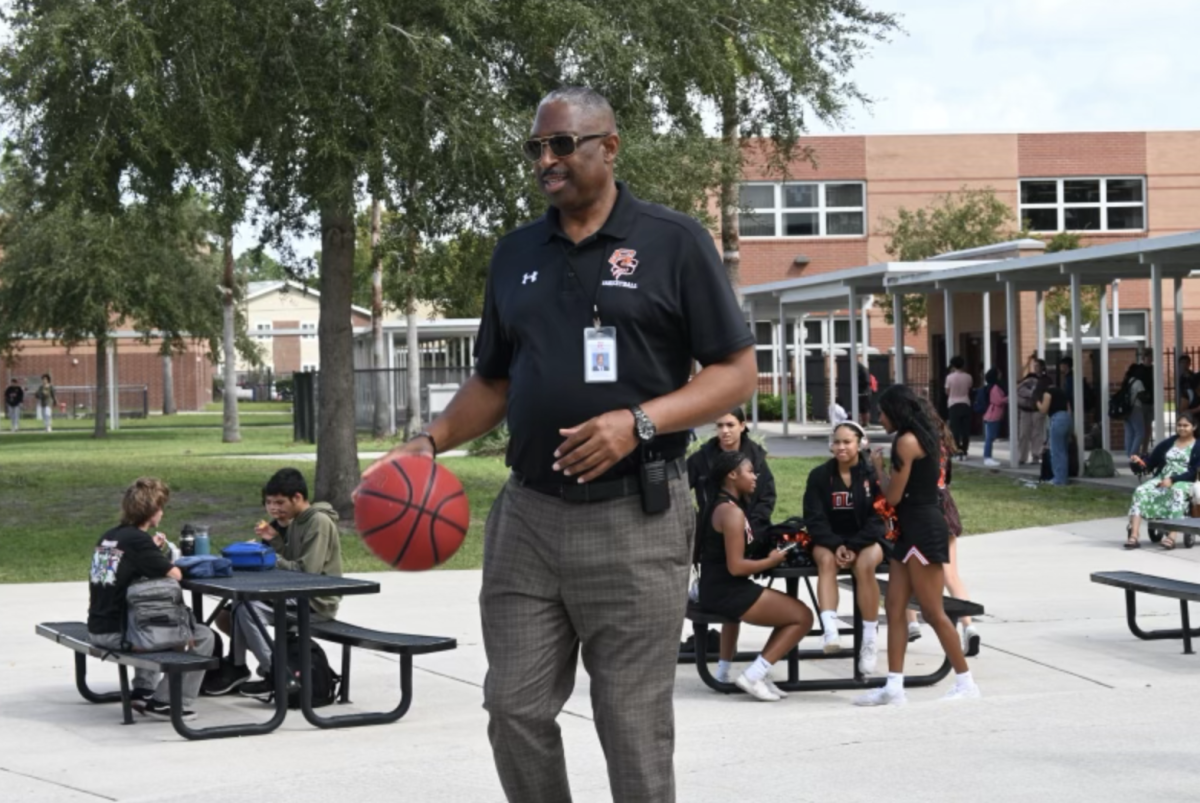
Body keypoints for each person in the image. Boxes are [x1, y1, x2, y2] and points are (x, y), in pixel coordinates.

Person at [368, 87, 756, 803]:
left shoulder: (672, 242)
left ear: (608, 146)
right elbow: (493, 380)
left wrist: (635, 421)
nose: (546, 160)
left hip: (636, 518)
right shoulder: (517, 252)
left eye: (562, 145)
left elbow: (736, 372)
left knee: (631, 725)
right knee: (513, 706)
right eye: (536, 148)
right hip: (529, 518)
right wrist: (429, 440)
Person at [856, 385, 979, 706]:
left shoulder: (906, 441)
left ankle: (966, 683)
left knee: (932, 610)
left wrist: (878, 469)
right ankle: (894, 686)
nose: (879, 418)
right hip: (910, 529)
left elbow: (892, 496)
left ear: (897, 411)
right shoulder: (920, 437)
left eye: (882, 412)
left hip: (923, 529)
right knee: (896, 607)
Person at [87, 478, 216, 721]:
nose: (162, 512)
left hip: (98, 626)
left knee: (153, 622)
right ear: (153, 511)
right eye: (161, 507)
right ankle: (167, 702)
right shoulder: (138, 541)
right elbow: (175, 574)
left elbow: (128, 567)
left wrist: (151, 550)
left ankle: (144, 690)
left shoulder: (112, 536)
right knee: (202, 636)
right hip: (118, 634)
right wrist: (156, 553)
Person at [210, 468, 343, 701]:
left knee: (246, 609)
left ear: (298, 498)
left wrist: (268, 557)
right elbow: (290, 562)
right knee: (236, 608)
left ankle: (276, 673)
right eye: (269, 502)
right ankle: (239, 666)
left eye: (280, 502)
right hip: (294, 591)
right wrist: (274, 541)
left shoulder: (318, 522)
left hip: (315, 599)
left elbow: (306, 572)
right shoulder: (292, 522)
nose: (273, 508)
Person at [696, 450, 812, 701]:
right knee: (803, 616)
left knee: (789, 614)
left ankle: (755, 671)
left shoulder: (723, 505)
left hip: (719, 587)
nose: (755, 477)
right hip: (726, 590)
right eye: (749, 472)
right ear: (732, 475)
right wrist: (770, 561)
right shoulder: (731, 512)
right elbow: (736, 566)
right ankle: (753, 675)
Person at [687, 407, 777, 683]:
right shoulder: (702, 459)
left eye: (729, 424)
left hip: (747, 536)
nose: (724, 431)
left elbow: (767, 498)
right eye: (719, 426)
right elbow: (679, 492)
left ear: (742, 425)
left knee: (734, 600)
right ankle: (725, 668)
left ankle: (725, 666)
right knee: (730, 596)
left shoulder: (757, 459)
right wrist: (697, 521)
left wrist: (749, 530)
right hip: (713, 539)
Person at [802, 421, 884, 673]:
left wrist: (855, 545)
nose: (841, 447)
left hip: (866, 540)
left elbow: (880, 517)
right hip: (830, 539)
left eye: (847, 442)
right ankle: (830, 630)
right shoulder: (819, 475)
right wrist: (836, 543)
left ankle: (869, 640)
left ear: (860, 444)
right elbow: (814, 518)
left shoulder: (872, 474)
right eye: (836, 442)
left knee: (864, 564)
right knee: (826, 562)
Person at [905, 397, 981, 655]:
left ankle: (911, 623)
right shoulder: (941, 443)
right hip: (945, 505)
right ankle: (968, 626)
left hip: (922, 508)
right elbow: (946, 478)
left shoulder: (912, 444)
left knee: (907, 568)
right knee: (951, 574)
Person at [1125, 413, 1200, 550]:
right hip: (1162, 477)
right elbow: (1150, 462)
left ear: (1194, 427)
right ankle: (1134, 535)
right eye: (1179, 425)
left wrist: (1173, 479)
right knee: (1140, 491)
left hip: (1184, 480)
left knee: (1177, 492)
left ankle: (1171, 536)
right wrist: (1139, 463)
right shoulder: (1168, 443)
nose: (1182, 428)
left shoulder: (1198, 446)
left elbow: (1194, 472)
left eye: (1186, 425)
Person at [1039, 375, 1073, 486]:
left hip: (1056, 419)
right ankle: (1063, 477)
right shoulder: (1062, 392)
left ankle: (1059, 479)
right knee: (1063, 450)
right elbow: (1069, 408)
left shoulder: (1048, 392)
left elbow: (1044, 409)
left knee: (1056, 451)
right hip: (1066, 419)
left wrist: (1037, 403)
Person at [1016, 357, 1050, 465]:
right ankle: (1022, 457)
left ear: (1042, 367)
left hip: (1038, 409)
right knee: (1023, 433)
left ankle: (1036, 455)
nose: (1035, 368)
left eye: (1037, 366)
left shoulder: (1046, 380)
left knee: (1037, 433)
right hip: (1025, 409)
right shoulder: (1029, 377)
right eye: (1034, 366)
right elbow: (1019, 388)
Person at [944, 356, 973, 460]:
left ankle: (956, 452)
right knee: (965, 430)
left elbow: (947, 391)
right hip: (965, 403)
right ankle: (964, 451)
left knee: (955, 430)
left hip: (953, 404)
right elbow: (969, 388)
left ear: (953, 365)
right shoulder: (968, 377)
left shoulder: (949, 377)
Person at [1120, 362, 1148, 458]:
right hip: (1135, 408)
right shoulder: (1138, 382)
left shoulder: (1127, 381)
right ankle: (1134, 454)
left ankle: (1129, 454)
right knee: (1140, 432)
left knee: (1129, 433)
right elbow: (1142, 396)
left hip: (1126, 409)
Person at [981, 368, 1008, 468]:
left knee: (990, 437)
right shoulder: (995, 387)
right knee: (990, 437)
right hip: (993, 414)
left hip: (993, 413)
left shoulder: (992, 386)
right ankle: (987, 457)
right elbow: (999, 401)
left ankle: (988, 457)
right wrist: (1009, 398)